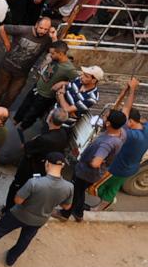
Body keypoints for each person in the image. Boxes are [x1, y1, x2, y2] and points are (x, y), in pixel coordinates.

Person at [0, 152, 72, 267]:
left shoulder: (34, 183)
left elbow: (18, 200)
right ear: (62, 166)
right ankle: (10, 260)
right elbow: (66, 207)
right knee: (24, 240)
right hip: (40, 220)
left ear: (47, 163)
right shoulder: (69, 187)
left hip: (19, 214)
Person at [56, 110, 127, 223]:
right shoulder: (121, 132)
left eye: (105, 117)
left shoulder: (107, 143)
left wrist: (87, 160)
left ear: (108, 124)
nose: (102, 118)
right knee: (79, 192)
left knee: (75, 192)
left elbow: (95, 163)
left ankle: (65, 214)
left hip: (85, 172)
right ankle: (78, 214)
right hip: (93, 173)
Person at [93, 83, 146, 211]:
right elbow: (128, 110)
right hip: (130, 168)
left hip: (117, 169)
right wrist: (129, 91)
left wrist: (130, 91)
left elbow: (126, 111)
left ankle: (106, 202)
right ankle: (105, 203)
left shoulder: (130, 134)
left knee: (94, 187)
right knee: (113, 188)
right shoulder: (145, 128)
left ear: (131, 122)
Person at [13, 41, 76, 133]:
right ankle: (15, 121)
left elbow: (75, 82)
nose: (50, 55)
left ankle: (21, 128)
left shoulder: (69, 69)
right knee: (24, 105)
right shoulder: (54, 59)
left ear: (60, 54)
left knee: (32, 114)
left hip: (45, 96)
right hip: (37, 88)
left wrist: (63, 83)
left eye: (53, 53)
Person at [0, 18, 55, 108]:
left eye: (46, 29)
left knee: (12, 94)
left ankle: (2, 111)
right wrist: (7, 43)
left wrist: (54, 37)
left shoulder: (48, 38)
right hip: (7, 67)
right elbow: (2, 28)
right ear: (36, 25)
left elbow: (54, 51)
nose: (43, 31)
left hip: (22, 73)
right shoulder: (24, 29)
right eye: (41, 28)